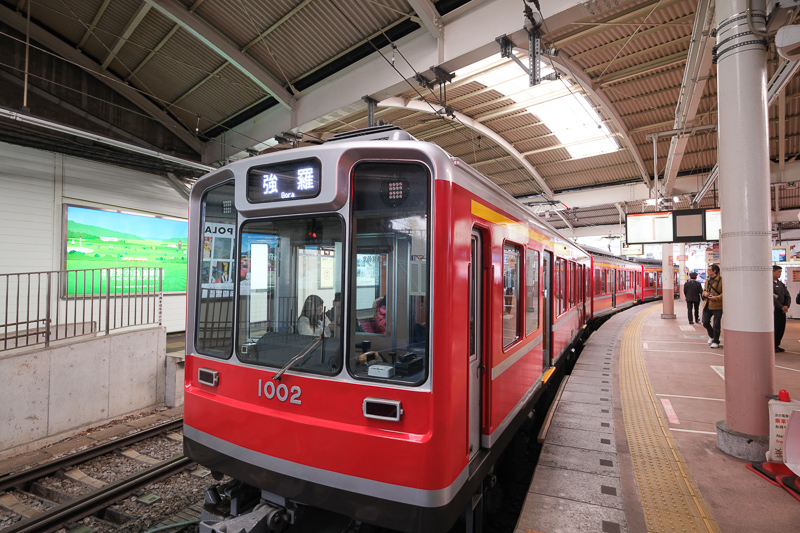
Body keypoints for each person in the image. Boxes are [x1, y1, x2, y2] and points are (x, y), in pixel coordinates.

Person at [702, 264, 723, 348]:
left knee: (716, 324)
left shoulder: (722, 281)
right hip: (707, 304)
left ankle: (716, 341)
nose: (708, 271)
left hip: (717, 306)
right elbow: (704, 291)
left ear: (715, 271)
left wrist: (716, 298)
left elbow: (725, 293)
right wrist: (705, 294)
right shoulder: (707, 281)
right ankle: (712, 335)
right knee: (705, 322)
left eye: (709, 269)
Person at [773, 265, 791, 352]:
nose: (780, 274)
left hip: (782, 311)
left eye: (781, 272)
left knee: (781, 328)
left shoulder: (781, 284)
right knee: (775, 327)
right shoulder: (769, 284)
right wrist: (781, 307)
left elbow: (787, 296)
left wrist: (786, 305)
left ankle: (777, 344)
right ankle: (773, 345)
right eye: (778, 272)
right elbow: (772, 298)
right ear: (772, 272)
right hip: (775, 311)